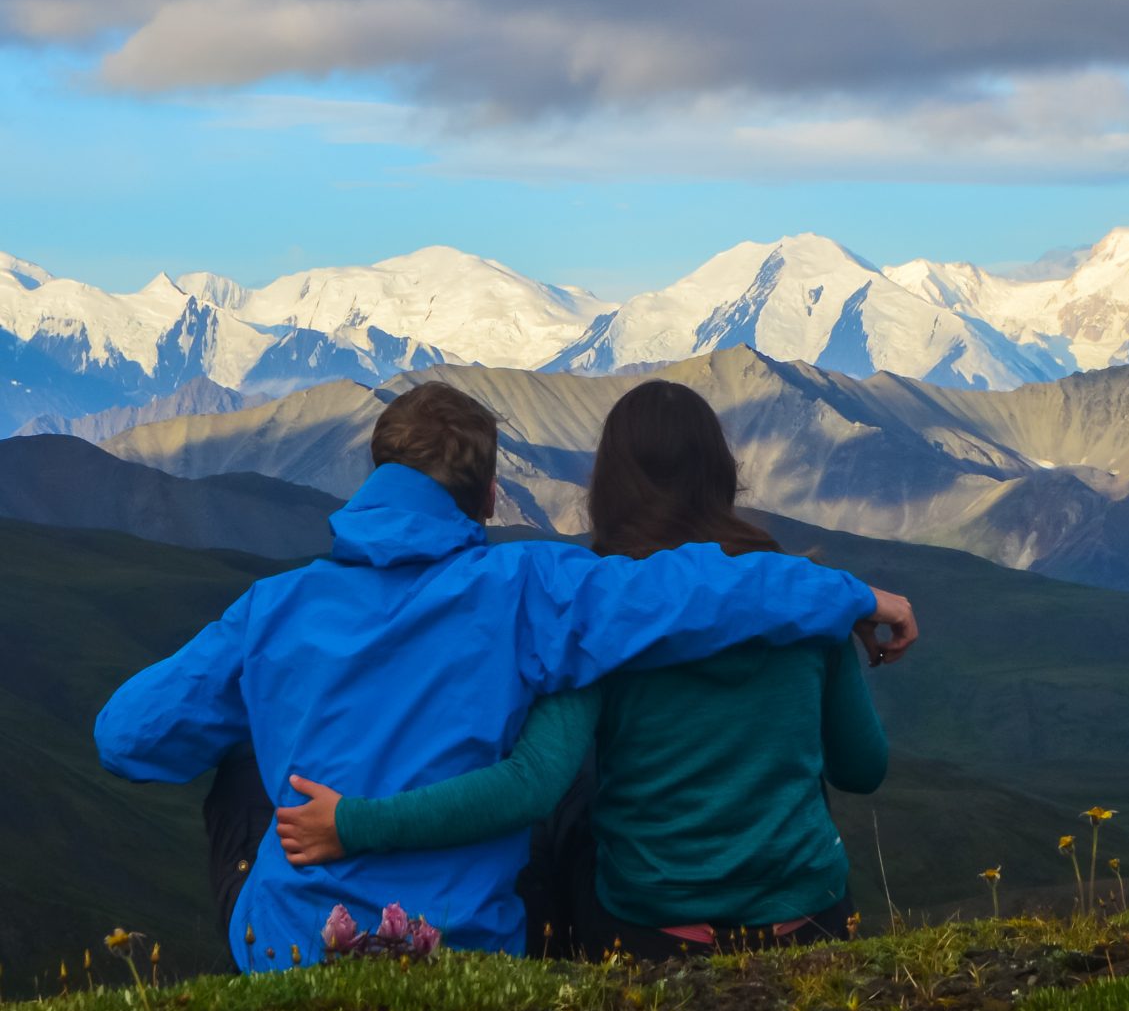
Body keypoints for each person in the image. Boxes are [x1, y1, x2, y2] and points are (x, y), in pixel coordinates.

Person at [93, 381, 917, 972]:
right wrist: (853, 595)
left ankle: (306, 925)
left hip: (292, 942)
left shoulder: (271, 608)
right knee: (556, 778)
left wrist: (281, 695)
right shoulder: (533, 588)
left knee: (241, 761)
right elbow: (700, 586)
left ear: (374, 480)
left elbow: (127, 735)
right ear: (489, 496)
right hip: (468, 941)